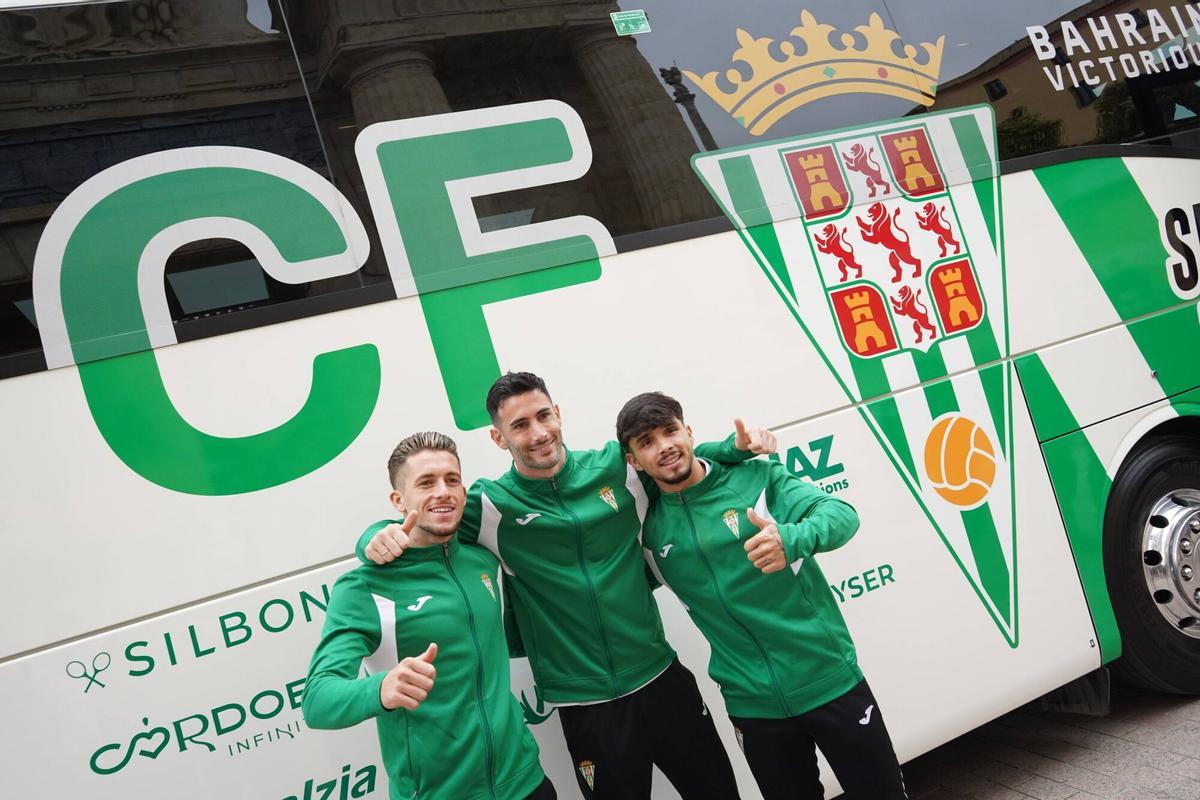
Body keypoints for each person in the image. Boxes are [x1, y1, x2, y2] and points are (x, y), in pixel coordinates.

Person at [359, 371, 775, 798]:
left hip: (662, 681)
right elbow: (421, 518)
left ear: (558, 414)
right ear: (499, 439)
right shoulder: (488, 505)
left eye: (543, 416)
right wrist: (374, 535)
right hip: (586, 708)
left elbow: (675, 456)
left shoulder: (616, 467)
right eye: (519, 425)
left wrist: (732, 448)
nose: (538, 433)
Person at [617, 391, 908, 800]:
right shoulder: (650, 528)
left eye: (670, 431)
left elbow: (842, 515)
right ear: (633, 461)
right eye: (646, 442)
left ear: (689, 432)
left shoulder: (756, 478)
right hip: (752, 707)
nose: (664, 447)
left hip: (828, 680)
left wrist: (792, 539)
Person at [304, 432, 555, 800]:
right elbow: (317, 700)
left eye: (452, 480)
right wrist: (382, 689)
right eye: (426, 482)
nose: (443, 491)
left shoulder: (483, 561)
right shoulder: (364, 587)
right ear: (398, 500)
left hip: (526, 782)